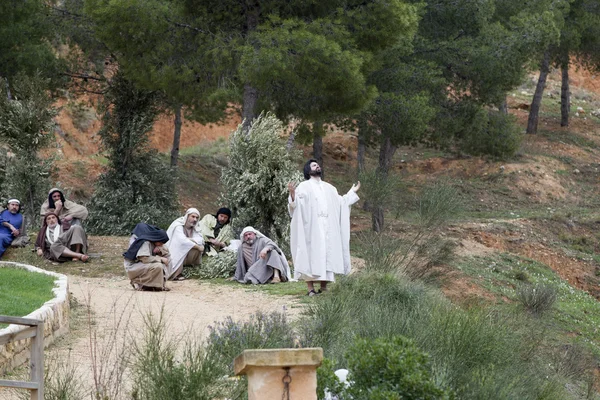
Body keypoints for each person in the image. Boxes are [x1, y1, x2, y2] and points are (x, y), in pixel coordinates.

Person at [288, 159, 360, 296]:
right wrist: (292, 194)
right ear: (308, 171)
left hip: (328, 227)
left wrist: (352, 192)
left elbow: (341, 202)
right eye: (314, 165)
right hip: (311, 228)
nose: (318, 166)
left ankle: (324, 288)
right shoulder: (304, 186)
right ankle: (310, 289)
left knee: (327, 255)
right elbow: (296, 204)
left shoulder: (330, 188)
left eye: (318, 165)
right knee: (310, 256)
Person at [123, 223, 171, 291]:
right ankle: (139, 282)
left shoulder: (155, 242)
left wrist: (160, 250)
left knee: (166, 260)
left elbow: (167, 253)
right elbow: (144, 259)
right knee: (158, 266)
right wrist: (160, 259)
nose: (162, 244)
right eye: (161, 243)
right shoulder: (145, 242)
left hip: (141, 264)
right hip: (132, 266)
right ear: (157, 239)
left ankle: (157, 285)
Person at [166, 208, 205, 280]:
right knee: (184, 247)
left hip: (187, 250)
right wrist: (196, 246)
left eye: (197, 218)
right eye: (193, 217)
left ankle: (190, 267)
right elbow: (182, 241)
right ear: (187, 216)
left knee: (196, 247)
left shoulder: (195, 227)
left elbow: (200, 240)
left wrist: (190, 240)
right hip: (174, 251)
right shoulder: (178, 225)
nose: (195, 220)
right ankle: (176, 273)